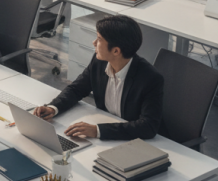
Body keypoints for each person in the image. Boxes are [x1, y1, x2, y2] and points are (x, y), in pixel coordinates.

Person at [33, 15, 164, 141]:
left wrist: (98, 131)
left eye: (99, 39)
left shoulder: (150, 78)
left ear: (116, 51)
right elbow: (76, 89)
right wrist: (53, 108)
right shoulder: (99, 62)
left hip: (132, 139)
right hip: (106, 130)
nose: (94, 42)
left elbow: (148, 126)